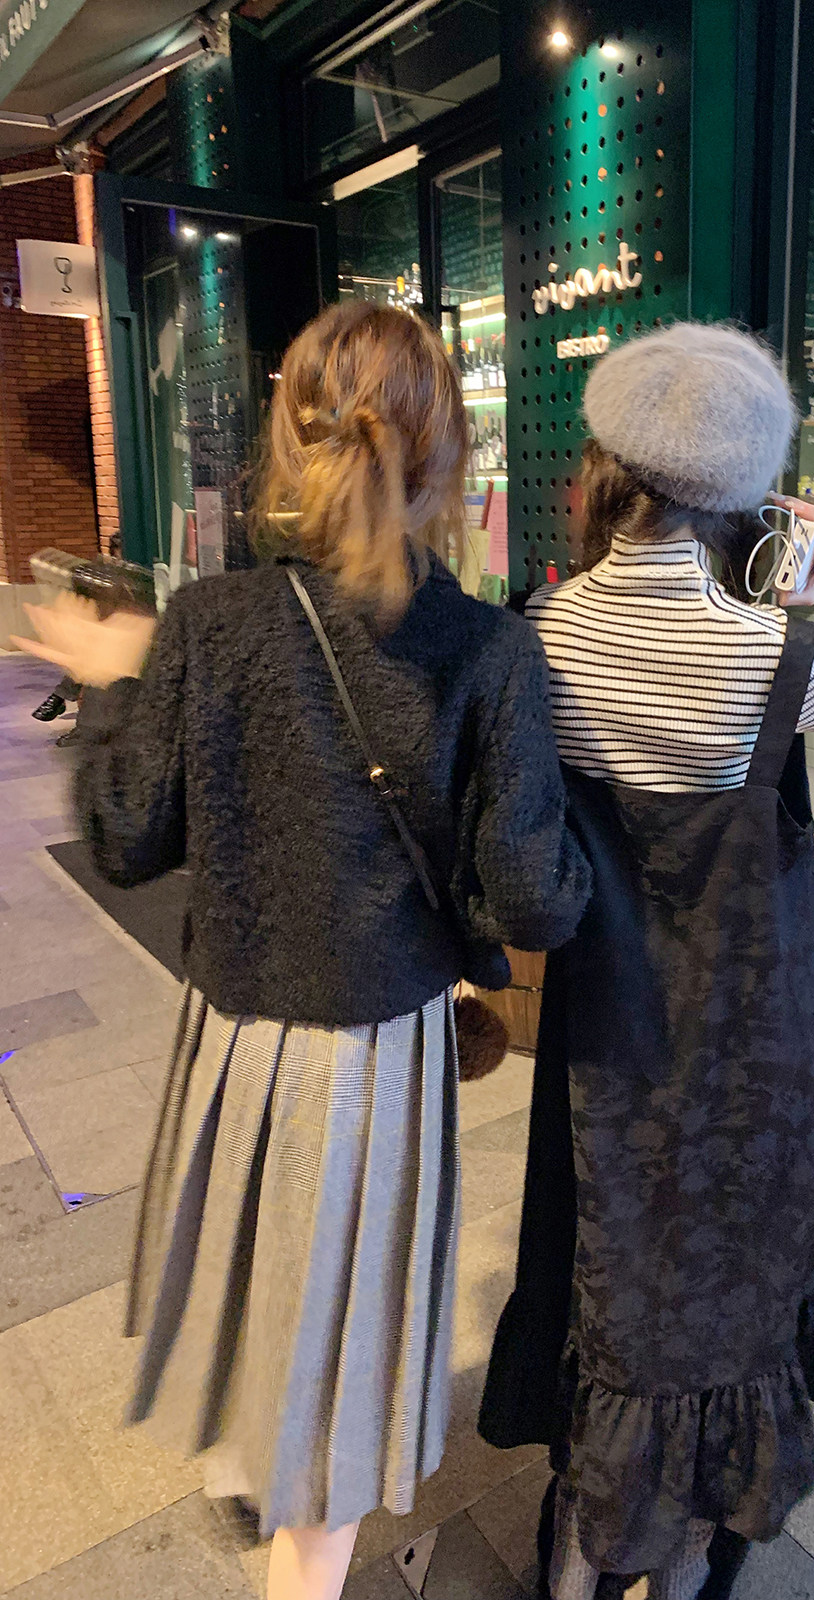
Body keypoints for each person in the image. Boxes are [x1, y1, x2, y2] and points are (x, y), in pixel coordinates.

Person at [16, 301, 592, 1600]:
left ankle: (260, 1468)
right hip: (378, 1052)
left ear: (290, 439)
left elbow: (125, 837)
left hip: (230, 1038)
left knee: (255, 1281)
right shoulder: (491, 648)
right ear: (448, 453)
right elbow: (533, 900)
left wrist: (112, 681)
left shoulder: (212, 621)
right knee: (344, 1349)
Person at [479, 323, 814, 1600]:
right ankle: (685, 1549)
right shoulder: (781, 654)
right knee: (727, 1271)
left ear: (606, 469)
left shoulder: (537, 633)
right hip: (750, 1043)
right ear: (746, 494)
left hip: (603, 1023)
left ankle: (585, 1539)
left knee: (604, 1251)